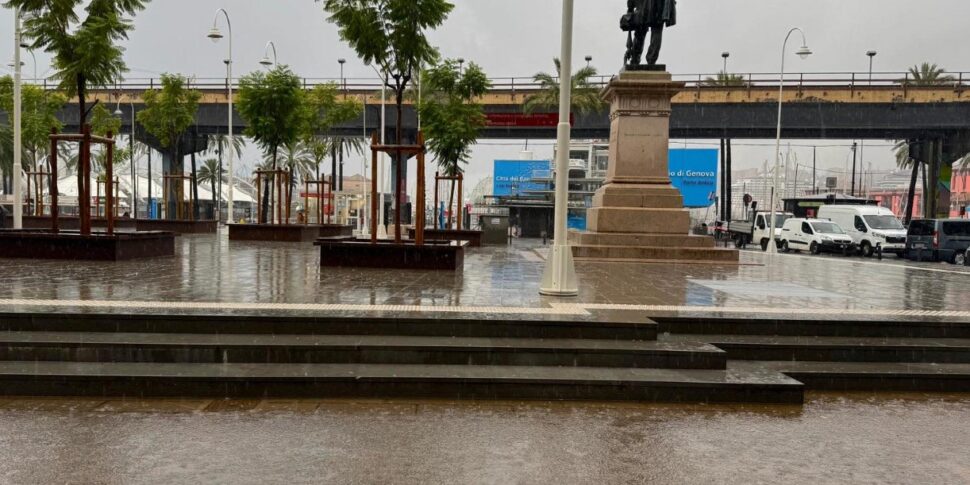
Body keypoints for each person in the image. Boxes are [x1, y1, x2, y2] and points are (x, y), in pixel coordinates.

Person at [622, 0, 677, 67]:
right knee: (654, 32)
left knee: (641, 32)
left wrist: (630, 7)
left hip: (644, 7)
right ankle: (650, 61)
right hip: (657, 7)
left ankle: (635, 59)